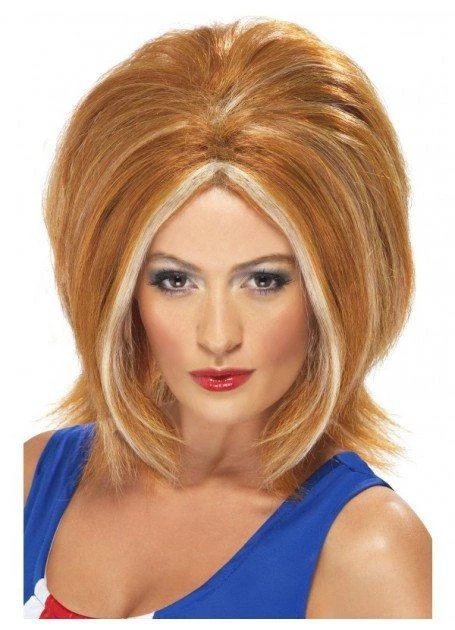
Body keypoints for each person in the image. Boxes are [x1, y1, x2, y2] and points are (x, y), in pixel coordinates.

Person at [23, 17, 431, 619]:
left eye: (264, 281)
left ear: (339, 292)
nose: (218, 336)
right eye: (175, 280)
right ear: (117, 291)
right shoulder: (30, 482)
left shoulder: (368, 550)